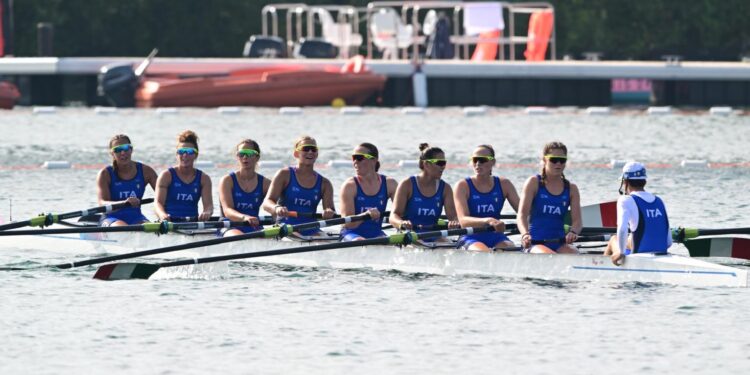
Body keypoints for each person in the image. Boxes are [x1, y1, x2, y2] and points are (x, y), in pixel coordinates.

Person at [262, 135, 335, 236]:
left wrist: (329, 212)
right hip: (285, 228)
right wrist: (277, 208)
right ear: (296, 154)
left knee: (324, 241)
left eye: (313, 149)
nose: (310, 152)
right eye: (305, 149)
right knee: (305, 238)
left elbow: (331, 210)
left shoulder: (325, 184)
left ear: (317, 154)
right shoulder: (284, 174)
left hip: (311, 229)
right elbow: (266, 203)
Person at [517, 141, 582, 253]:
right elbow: (521, 216)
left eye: (562, 160)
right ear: (544, 160)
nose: (558, 164)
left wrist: (574, 232)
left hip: (560, 243)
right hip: (535, 244)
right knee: (549, 255)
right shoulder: (533, 183)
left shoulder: (572, 188)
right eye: (553, 160)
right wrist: (524, 234)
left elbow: (577, 222)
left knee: (574, 254)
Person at [454, 145, 520, 251]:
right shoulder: (462, 186)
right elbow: (463, 221)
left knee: (510, 250)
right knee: (483, 251)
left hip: (496, 236)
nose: (478, 164)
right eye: (475, 160)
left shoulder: (505, 184)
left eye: (482, 160)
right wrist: (488, 220)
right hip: (470, 236)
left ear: (493, 162)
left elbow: (524, 213)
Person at [604, 162, 672, 265]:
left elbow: (622, 229)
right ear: (644, 181)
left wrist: (621, 252)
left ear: (625, 182)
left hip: (639, 256)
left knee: (614, 238)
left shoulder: (625, 200)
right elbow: (668, 242)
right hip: (662, 253)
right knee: (631, 237)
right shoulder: (659, 201)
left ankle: (602, 268)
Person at [389, 143, 460, 237]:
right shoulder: (407, 184)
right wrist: (401, 223)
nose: (443, 167)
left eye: (444, 163)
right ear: (426, 164)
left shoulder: (445, 188)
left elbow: (453, 217)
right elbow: (393, 216)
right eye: (440, 163)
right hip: (410, 236)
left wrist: (455, 222)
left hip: (434, 235)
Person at [339, 143, 398, 241]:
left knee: (392, 245)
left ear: (374, 160)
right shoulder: (349, 186)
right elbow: (348, 223)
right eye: (353, 158)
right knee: (360, 241)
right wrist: (365, 215)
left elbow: (401, 213)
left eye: (359, 158)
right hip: (351, 233)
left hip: (376, 233)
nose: (355, 162)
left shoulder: (390, 184)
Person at [96, 134, 158, 226]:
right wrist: (124, 203)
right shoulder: (105, 174)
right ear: (112, 153)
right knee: (121, 226)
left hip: (136, 217)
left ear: (131, 150)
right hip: (111, 218)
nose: (122, 153)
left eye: (125, 148)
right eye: (117, 150)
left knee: (150, 229)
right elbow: (102, 203)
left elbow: (164, 197)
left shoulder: (146, 171)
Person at [154, 130, 213, 222]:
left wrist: (207, 212)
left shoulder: (204, 179)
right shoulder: (166, 176)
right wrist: (162, 215)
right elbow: (158, 203)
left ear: (196, 155)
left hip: (192, 223)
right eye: (181, 151)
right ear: (177, 155)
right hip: (169, 222)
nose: (185, 155)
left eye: (189, 151)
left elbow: (208, 206)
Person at [218, 139, 270, 237]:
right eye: (241, 154)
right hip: (229, 226)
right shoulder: (227, 180)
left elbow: (273, 204)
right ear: (237, 157)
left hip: (253, 226)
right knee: (238, 237)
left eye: (249, 153)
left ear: (257, 157)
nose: (245, 157)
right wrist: (244, 217)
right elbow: (227, 210)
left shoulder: (265, 183)